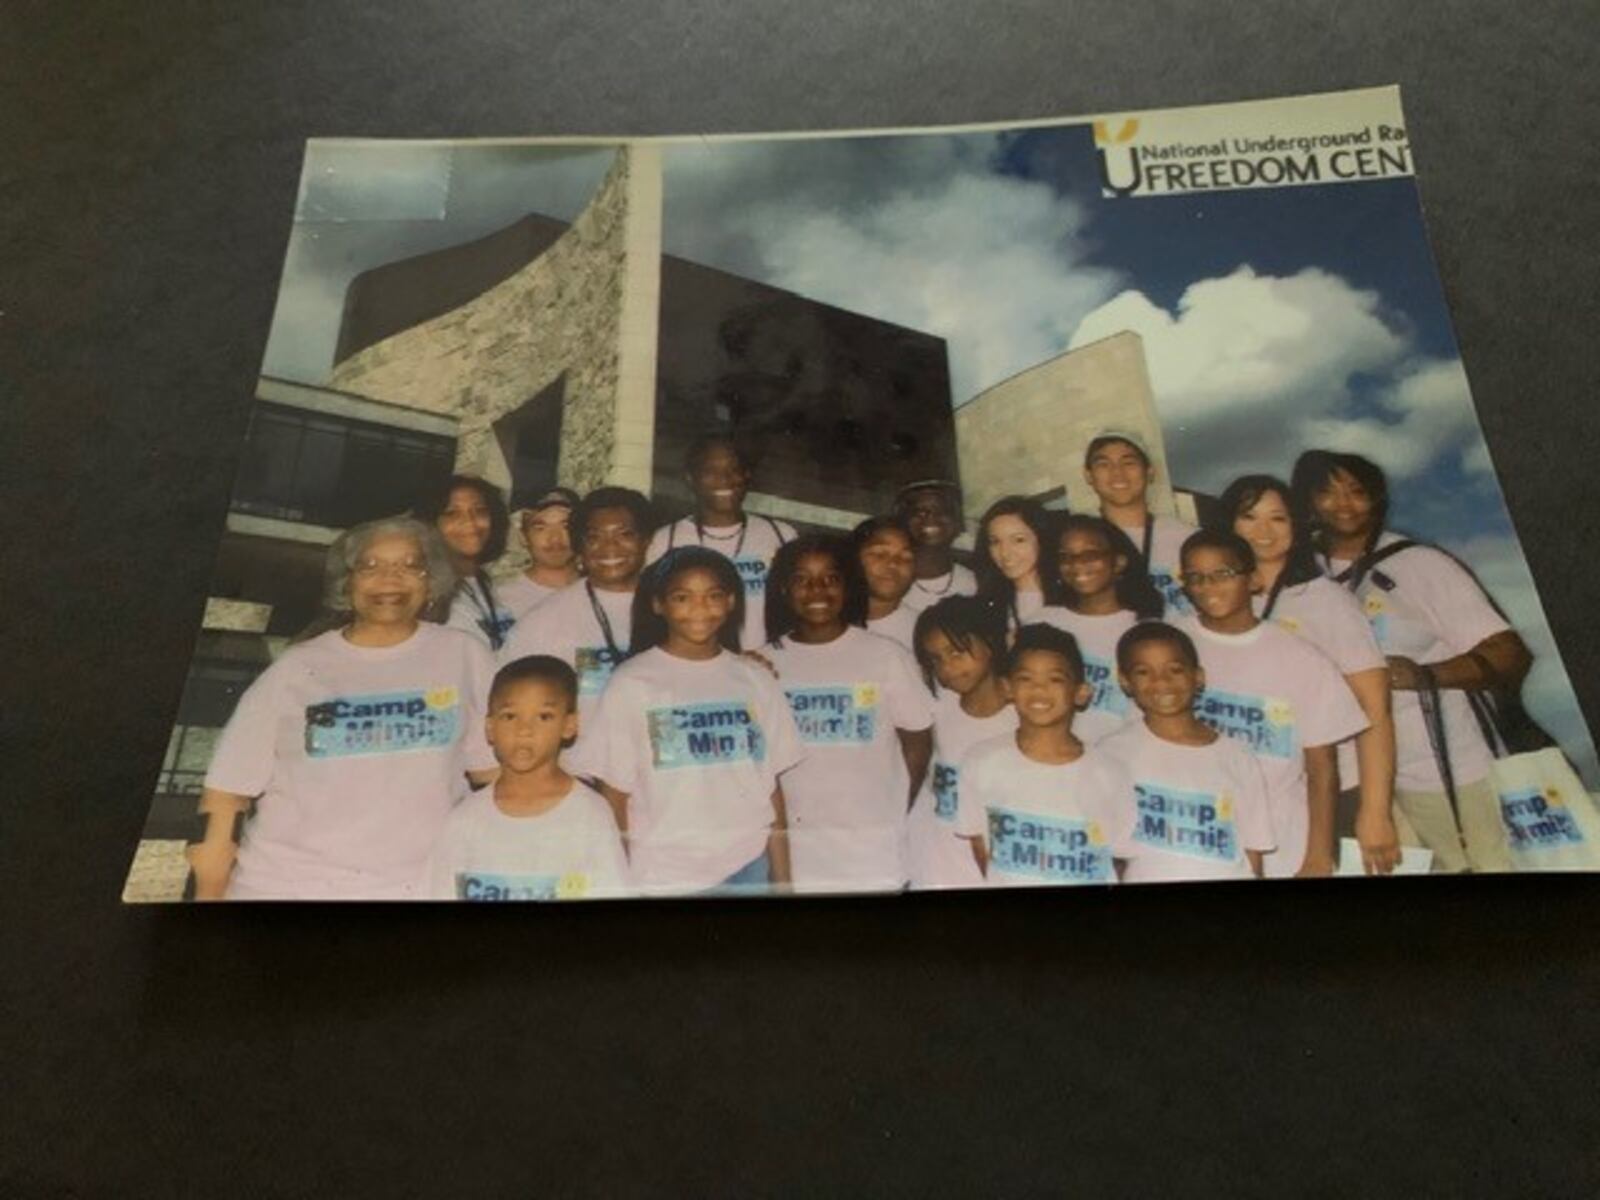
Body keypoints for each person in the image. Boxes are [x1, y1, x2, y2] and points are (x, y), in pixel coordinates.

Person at [187, 518, 497, 900]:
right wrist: (207, 898)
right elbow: (227, 794)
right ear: (346, 584)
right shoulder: (297, 667)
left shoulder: (465, 656)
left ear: (431, 581)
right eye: (370, 566)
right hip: (287, 888)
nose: (389, 579)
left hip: (418, 888)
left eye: (409, 565)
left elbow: (497, 778)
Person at [1293, 450, 1532, 873]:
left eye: (1356, 491)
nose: (1343, 503)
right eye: (1327, 492)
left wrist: (1423, 674)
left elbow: (1509, 653)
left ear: (1377, 499)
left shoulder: (1420, 563)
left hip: (1455, 773)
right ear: (1308, 502)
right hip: (1366, 785)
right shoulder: (1303, 577)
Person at [572, 547, 803, 895]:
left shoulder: (755, 678)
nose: (699, 608)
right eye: (682, 597)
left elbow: (771, 788)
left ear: (730, 602)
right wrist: (619, 885)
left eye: (713, 596)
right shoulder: (632, 682)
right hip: (664, 875)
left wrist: (783, 880)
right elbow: (614, 796)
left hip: (748, 865)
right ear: (658, 604)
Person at [1219, 473, 1400, 875]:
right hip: (1250, 793)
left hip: (1335, 791)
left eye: (1278, 519)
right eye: (1249, 517)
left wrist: (1375, 812)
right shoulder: (1215, 601)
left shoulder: (1326, 602)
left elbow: (1375, 711)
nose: (1263, 531)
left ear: (1297, 528)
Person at [1176, 529, 1368, 878]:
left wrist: (1318, 857)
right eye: (1196, 577)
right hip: (1196, 831)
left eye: (1223, 574)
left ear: (1252, 580)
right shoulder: (1173, 644)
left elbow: (1322, 768)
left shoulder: (1300, 658)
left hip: (1284, 838)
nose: (1209, 586)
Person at [762, 535, 935, 893]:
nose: (817, 590)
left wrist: (893, 811)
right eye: (801, 580)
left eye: (831, 578)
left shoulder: (885, 655)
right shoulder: (764, 663)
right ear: (782, 590)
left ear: (848, 586)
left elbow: (918, 742)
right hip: (798, 850)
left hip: (872, 851)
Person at [425, 656, 628, 901]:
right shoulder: (464, 821)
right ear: (490, 728)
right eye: (510, 716)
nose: (524, 730)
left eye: (544, 717)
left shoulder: (590, 813)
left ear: (569, 725)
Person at [954, 624, 1137, 886]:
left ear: (1080, 692)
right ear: (1007, 688)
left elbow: (1118, 858)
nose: (1039, 690)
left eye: (1055, 679)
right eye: (1026, 679)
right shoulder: (981, 760)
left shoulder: (1110, 771)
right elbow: (982, 848)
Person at [1098, 623, 1275, 883]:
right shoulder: (1111, 753)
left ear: (1198, 676)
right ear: (1125, 681)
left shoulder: (1238, 756)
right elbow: (1104, 853)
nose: (1161, 681)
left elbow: (1253, 853)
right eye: (1144, 672)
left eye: (1175, 670)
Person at [496, 487, 653, 729]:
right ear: (580, 546)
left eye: (625, 535)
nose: (609, 547)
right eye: (594, 537)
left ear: (646, 540)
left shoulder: (673, 609)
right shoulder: (542, 623)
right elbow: (506, 709)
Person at [906, 596, 1017, 888]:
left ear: (990, 641)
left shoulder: (1022, 715)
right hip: (933, 862)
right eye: (936, 659)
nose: (948, 667)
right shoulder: (939, 707)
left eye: (956, 652)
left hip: (991, 864)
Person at [647, 434, 795, 652]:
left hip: (772, 667)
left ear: (747, 475)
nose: (724, 479)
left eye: (733, 469)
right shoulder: (665, 541)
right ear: (691, 478)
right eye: (710, 471)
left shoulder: (781, 535)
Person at [1036, 514, 1162, 745]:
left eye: (1091, 554)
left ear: (1119, 562)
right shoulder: (1042, 622)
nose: (1076, 564)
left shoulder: (1147, 630)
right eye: (1066, 557)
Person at [1084, 432, 1197, 616]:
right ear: (1088, 475)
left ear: (1150, 472)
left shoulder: (1186, 537)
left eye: (1129, 463)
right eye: (1103, 464)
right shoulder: (1079, 544)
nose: (1117, 473)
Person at [414, 474, 517, 651]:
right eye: (452, 513)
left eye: (480, 511)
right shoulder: (427, 591)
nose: (470, 522)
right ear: (431, 523)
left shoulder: (486, 582)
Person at [973, 495, 1061, 634]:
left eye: (1018, 540)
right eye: (995, 542)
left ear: (1041, 540)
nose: (1005, 553)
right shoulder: (986, 605)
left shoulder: (1067, 596)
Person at [496, 487, 582, 623]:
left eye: (566, 526)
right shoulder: (501, 599)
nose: (555, 538)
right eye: (541, 528)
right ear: (523, 536)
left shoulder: (604, 591)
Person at [894, 480, 977, 613]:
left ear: (957, 523)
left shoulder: (975, 584)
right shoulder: (888, 581)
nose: (931, 517)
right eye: (919, 512)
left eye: (942, 510)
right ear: (902, 522)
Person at [853, 514, 919, 651]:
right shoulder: (825, 618)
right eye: (880, 554)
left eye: (906, 558)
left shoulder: (921, 633)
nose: (894, 564)